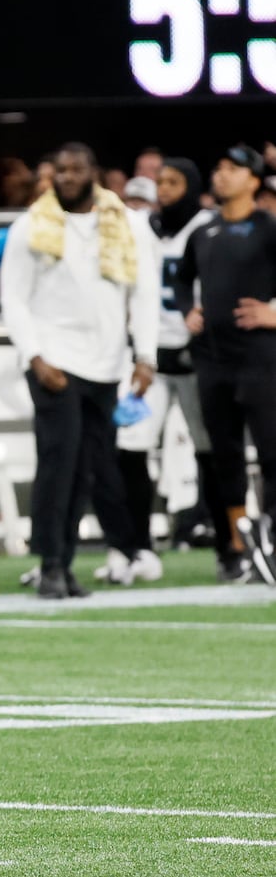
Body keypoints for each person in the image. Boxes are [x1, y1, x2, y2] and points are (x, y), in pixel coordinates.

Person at [0, 142, 159, 599]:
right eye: (60, 171)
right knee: (58, 465)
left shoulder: (130, 224)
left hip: (107, 364)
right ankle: (50, 564)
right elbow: (14, 298)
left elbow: (144, 294)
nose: (67, 177)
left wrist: (145, 357)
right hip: (55, 362)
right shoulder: (31, 226)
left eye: (76, 169)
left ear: (95, 172)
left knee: (89, 470)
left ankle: (67, 565)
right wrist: (34, 356)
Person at [99, 157, 216, 585]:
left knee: (210, 451)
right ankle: (137, 545)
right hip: (148, 357)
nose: (163, 189)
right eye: (159, 181)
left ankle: (225, 544)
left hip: (197, 354)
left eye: (172, 182)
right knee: (130, 448)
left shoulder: (208, 226)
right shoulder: (137, 228)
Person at [179, 144, 276, 581]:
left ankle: (270, 539)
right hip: (212, 359)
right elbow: (182, 280)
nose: (220, 176)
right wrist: (188, 310)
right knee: (224, 456)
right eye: (217, 167)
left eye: (232, 169)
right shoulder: (204, 232)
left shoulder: (268, 228)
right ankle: (235, 545)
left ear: (254, 180)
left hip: (260, 356)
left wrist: (274, 313)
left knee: (272, 453)